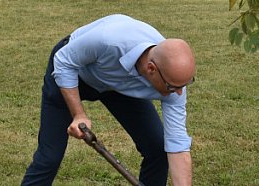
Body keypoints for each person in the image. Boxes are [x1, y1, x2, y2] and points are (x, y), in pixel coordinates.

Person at [22, 14, 195, 186]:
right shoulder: (108, 40)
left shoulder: (174, 81)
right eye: (172, 87)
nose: (178, 93)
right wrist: (78, 115)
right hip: (72, 72)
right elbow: (64, 61)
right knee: (49, 157)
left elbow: (177, 144)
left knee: (158, 148)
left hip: (117, 87)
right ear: (151, 69)